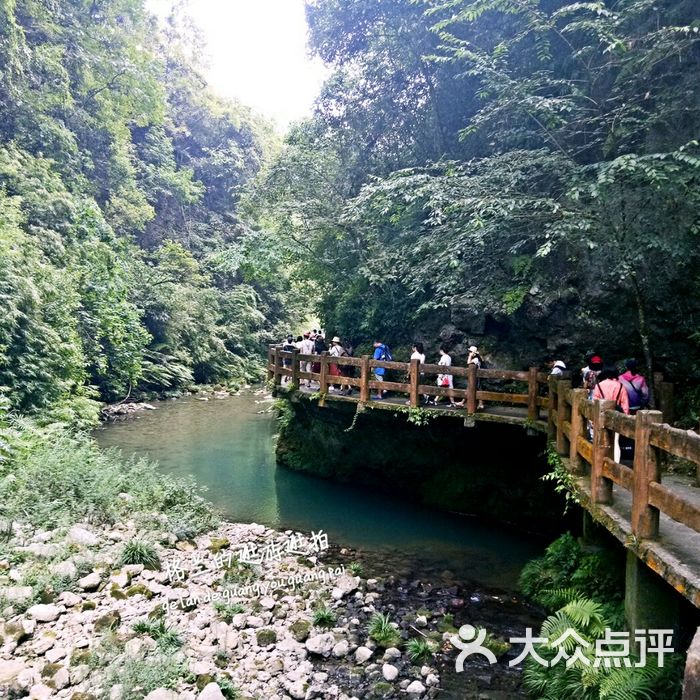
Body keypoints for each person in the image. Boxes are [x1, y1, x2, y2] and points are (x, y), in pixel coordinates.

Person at [592, 365, 630, 463]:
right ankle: (616, 464)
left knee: (601, 441)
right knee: (616, 441)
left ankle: (599, 462)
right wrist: (625, 419)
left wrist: (592, 419)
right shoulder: (620, 386)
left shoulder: (599, 386)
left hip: (602, 416)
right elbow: (625, 405)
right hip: (616, 416)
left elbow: (594, 403)